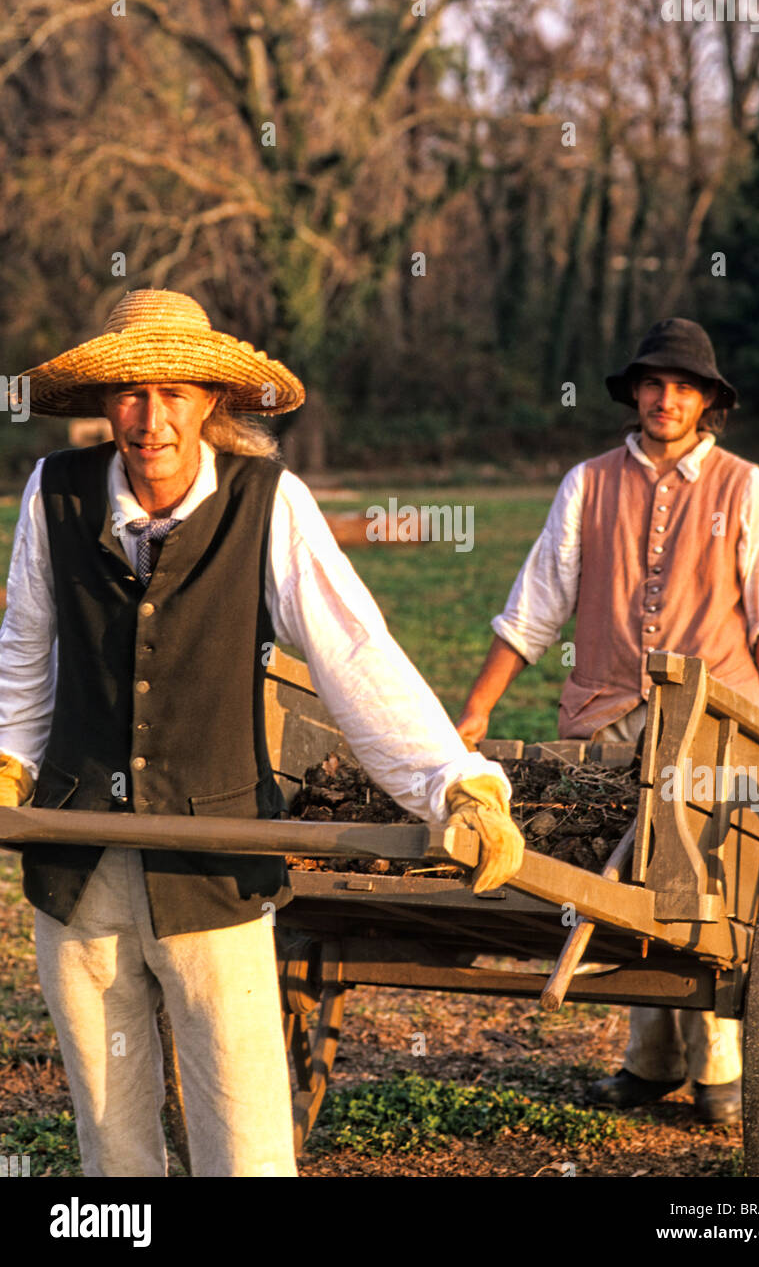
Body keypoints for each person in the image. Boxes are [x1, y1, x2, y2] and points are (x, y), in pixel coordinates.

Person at [0, 288, 524, 1178]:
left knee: (242, 1134)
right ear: (104, 404)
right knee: (107, 1134)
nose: (150, 417)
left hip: (216, 864)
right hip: (78, 860)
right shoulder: (55, 492)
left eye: (174, 394)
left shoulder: (267, 502)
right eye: (129, 392)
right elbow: (24, 649)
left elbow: (352, 652)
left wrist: (452, 782)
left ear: (213, 401)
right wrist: (8, 764)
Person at [456, 317, 759, 1126]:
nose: (664, 398)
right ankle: (648, 1062)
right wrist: (477, 706)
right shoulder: (587, 484)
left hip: (715, 717)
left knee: (700, 880)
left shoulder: (747, 489)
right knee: (615, 890)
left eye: (682, 386)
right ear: (635, 394)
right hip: (603, 708)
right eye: (652, 383)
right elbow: (534, 607)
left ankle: (718, 1066)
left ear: (706, 402)